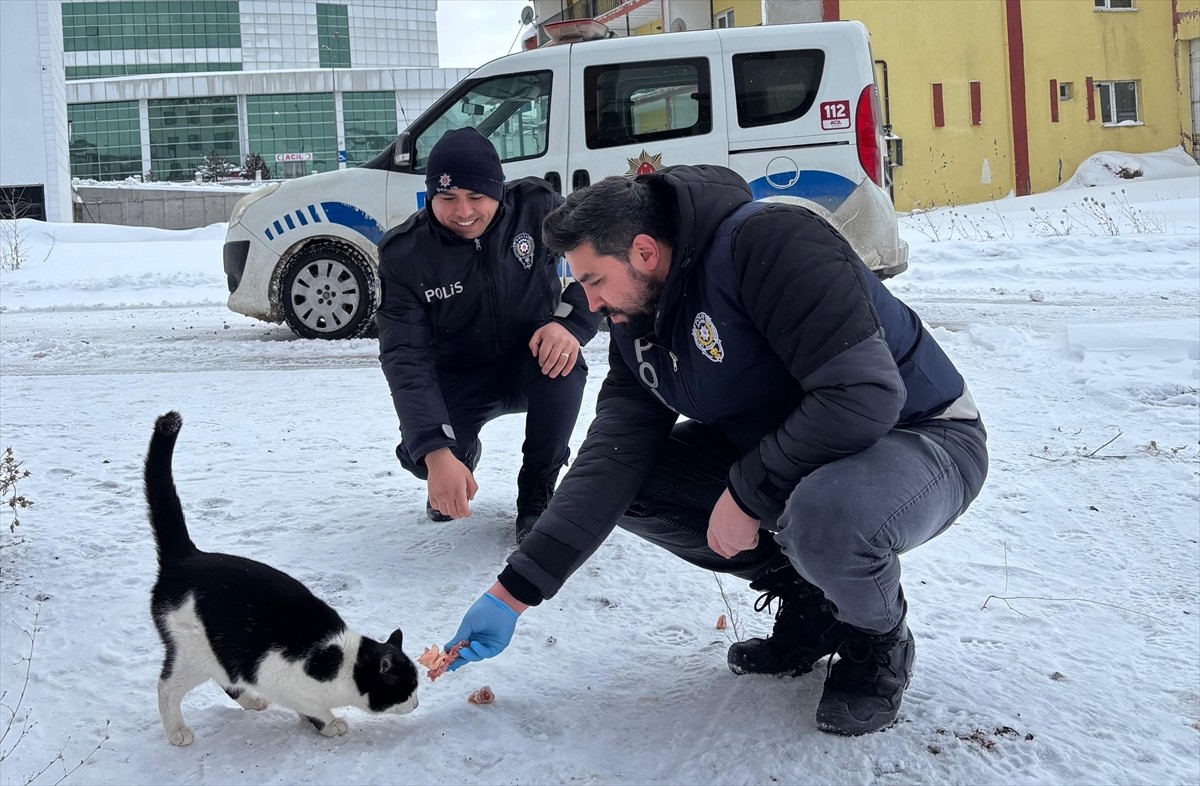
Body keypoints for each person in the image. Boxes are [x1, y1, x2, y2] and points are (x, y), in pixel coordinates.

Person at [439, 164, 990, 736]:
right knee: (635, 484)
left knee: (827, 516)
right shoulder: (640, 320)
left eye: (594, 281)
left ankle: (877, 641)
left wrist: (750, 493)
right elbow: (613, 457)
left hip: (920, 435)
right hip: (800, 450)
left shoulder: (770, 241)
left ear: (645, 251)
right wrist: (512, 594)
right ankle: (815, 603)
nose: (591, 304)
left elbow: (865, 395)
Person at [375, 127, 601, 542]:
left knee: (565, 367)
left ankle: (537, 487)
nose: (463, 211)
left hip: (531, 358)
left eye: (476, 197)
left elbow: (604, 258)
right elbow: (405, 357)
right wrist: (436, 452)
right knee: (420, 453)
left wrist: (570, 322)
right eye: (447, 198)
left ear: (498, 191)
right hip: (461, 377)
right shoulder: (404, 255)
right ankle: (460, 456)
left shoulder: (536, 209)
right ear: (430, 196)